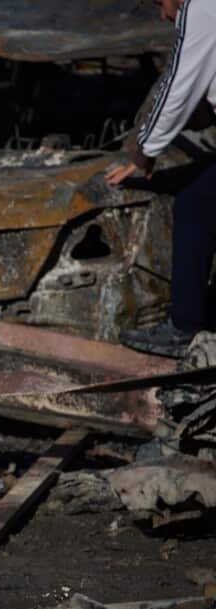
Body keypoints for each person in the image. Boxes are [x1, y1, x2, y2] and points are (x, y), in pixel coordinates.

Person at [108, 0, 216, 356]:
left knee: (195, 203)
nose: (164, 14)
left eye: (161, 3)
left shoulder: (201, 6)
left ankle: (182, 327)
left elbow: (177, 84)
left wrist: (144, 153)